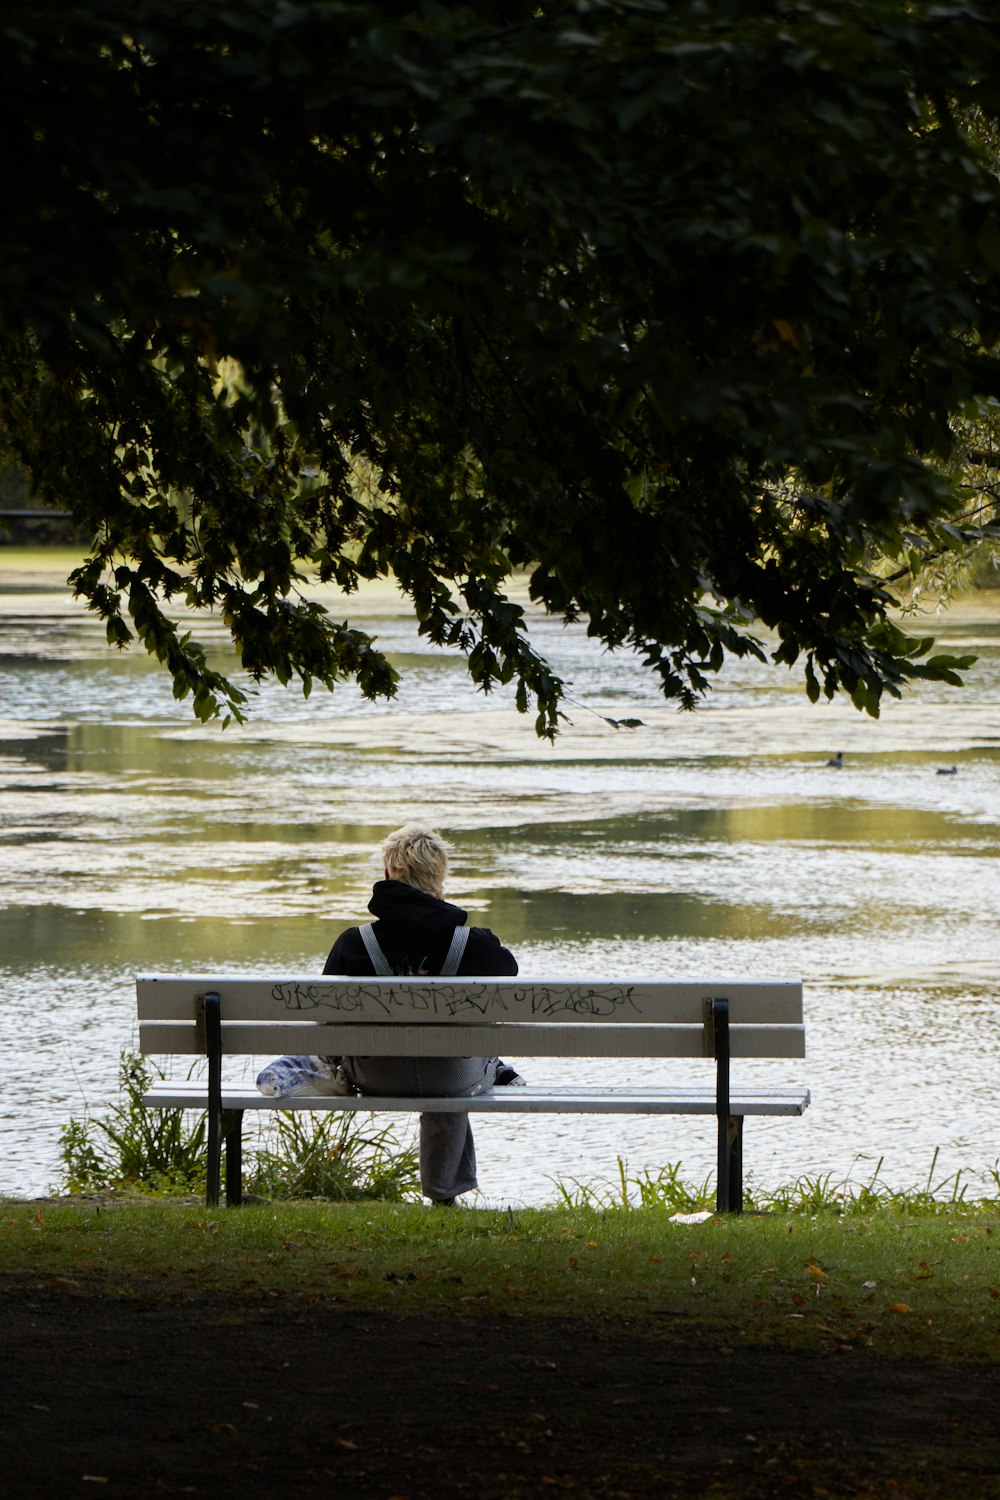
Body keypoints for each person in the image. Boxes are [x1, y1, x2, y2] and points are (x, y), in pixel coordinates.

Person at [257, 824, 521, 1205]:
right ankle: (444, 1194)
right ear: (440, 877)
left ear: (387, 874)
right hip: (449, 1076)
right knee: (457, 1061)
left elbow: (326, 1024)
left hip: (376, 1074)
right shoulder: (477, 946)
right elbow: (510, 985)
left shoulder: (354, 944)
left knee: (448, 1058)